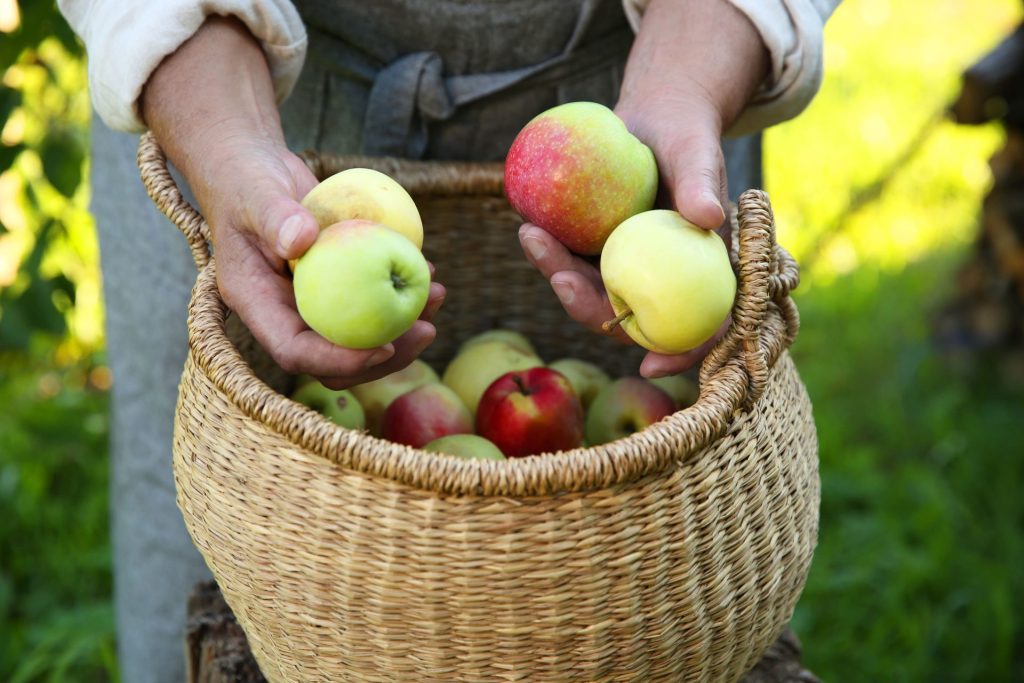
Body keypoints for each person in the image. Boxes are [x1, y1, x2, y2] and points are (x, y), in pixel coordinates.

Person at [58, 0, 839, 680]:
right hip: (225, 110)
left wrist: (686, 82)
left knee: (659, 579)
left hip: (647, 98)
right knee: (214, 530)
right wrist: (224, 146)